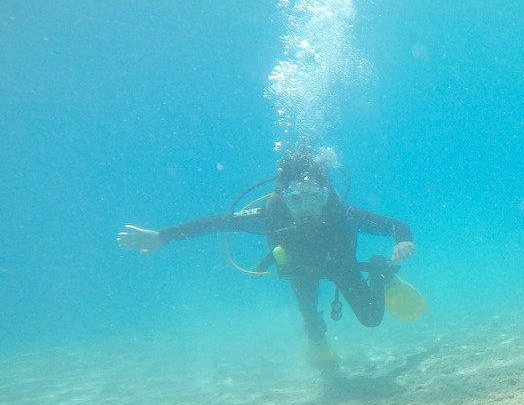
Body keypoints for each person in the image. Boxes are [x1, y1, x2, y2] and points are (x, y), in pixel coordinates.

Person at [118, 149, 420, 364]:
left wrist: (403, 240)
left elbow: (395, 225)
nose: (307, 208)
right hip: (300, 272)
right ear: (284, 198)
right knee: (311, 324)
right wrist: (161, 237)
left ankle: (380, 272)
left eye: (316, 197)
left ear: (326, 196)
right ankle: (318, 341)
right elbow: (215, 223)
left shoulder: (342, 214)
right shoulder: (269, 215)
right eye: (296, 199)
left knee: (372, 320)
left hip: (341, 267)